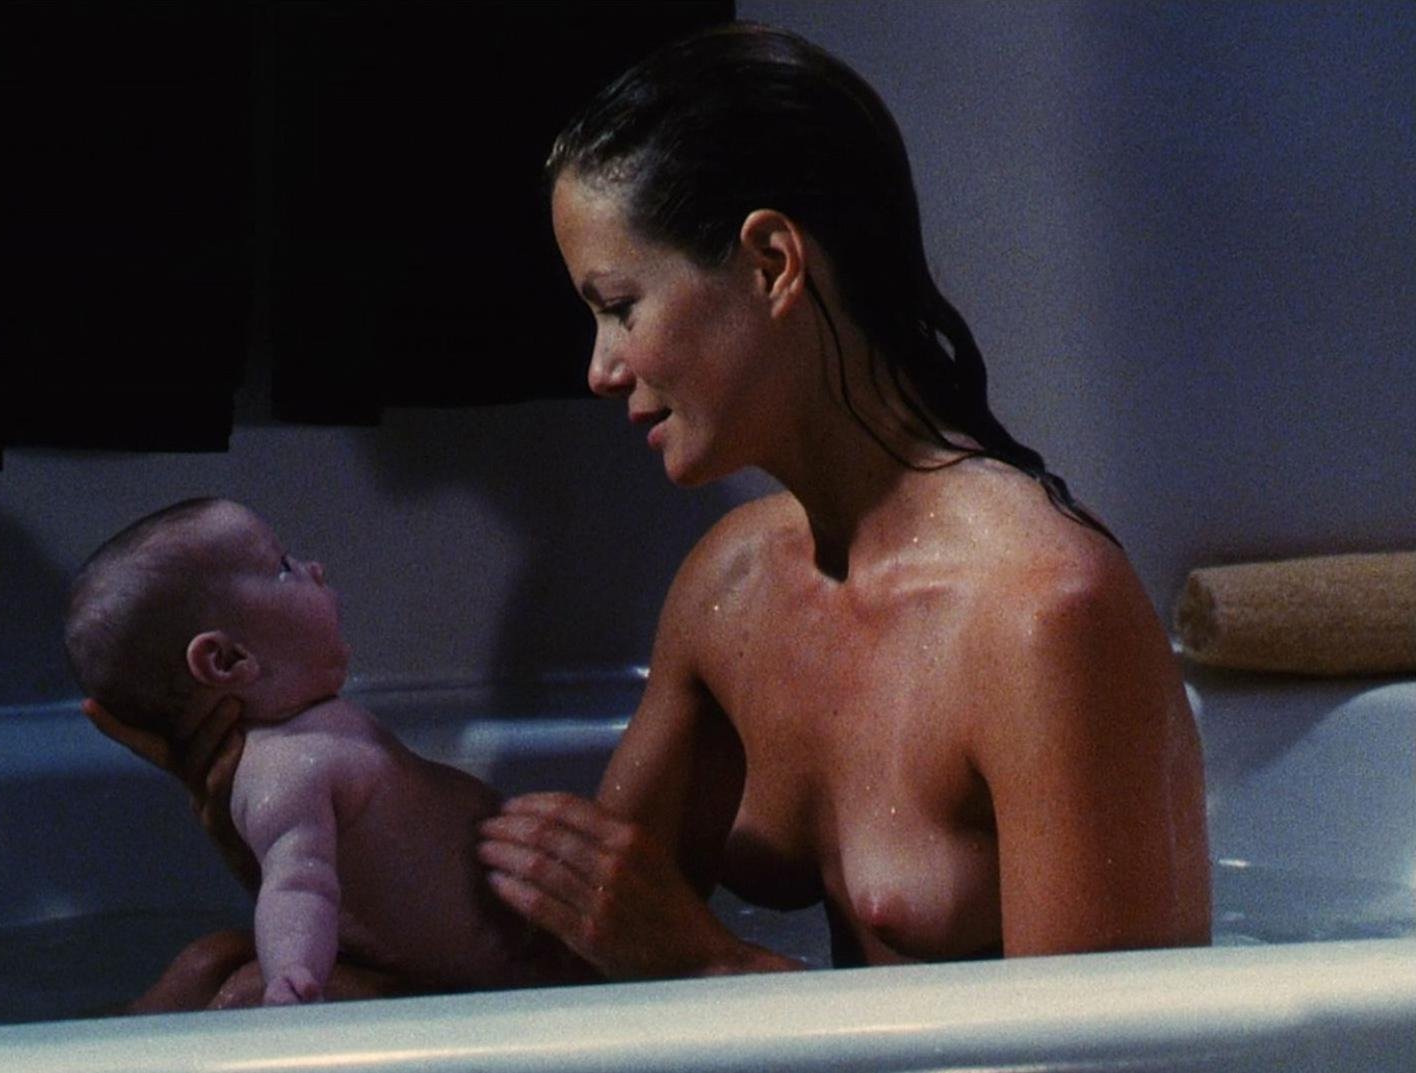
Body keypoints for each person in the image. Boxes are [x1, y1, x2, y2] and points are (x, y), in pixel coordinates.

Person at [471, 22, 1211, 975]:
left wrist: (716, 968)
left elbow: (1114, 1046)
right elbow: (580, 948)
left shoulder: (1043, 618)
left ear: (772, 264)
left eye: (620, 307)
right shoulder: (729, 589)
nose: (601, 369)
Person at [65, 497, 566, 1008]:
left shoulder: (314, 723)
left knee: (212, 964)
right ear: (228, 659)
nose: (315, 568)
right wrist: (293, 973)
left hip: (513, 940)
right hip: (492, 974)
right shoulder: (282, 772)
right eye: (283, 568)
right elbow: (299, 885)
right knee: (222, 976)